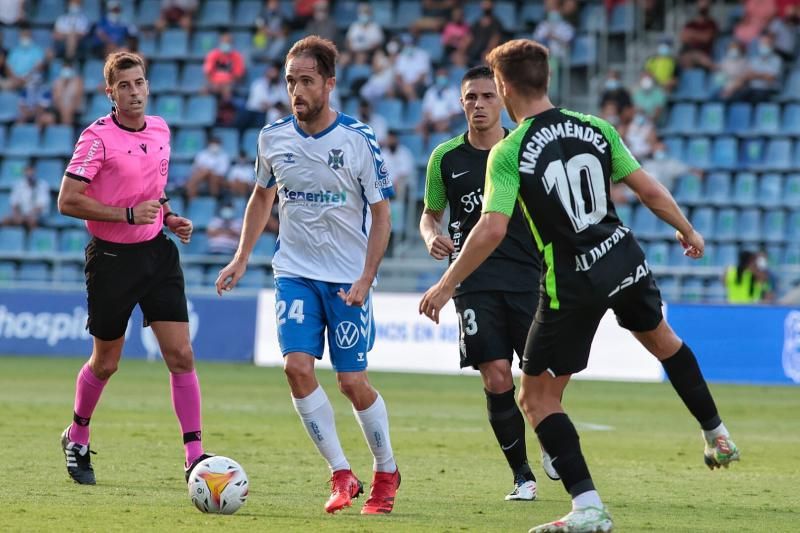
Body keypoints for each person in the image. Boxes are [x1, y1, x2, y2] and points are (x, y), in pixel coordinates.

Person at [419, 39, 740, 533]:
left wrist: (444, 285)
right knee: (663, 340)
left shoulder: (509, 150)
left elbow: (490, 228)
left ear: (503, 87)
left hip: (573, 279)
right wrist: (687, 228)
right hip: (623, 256)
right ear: (546, 80)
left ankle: (587, 507)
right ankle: (717, 433)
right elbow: (647, 188)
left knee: (535, 399)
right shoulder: (596, 127)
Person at [215, 35, 401, 515]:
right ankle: (342, 473)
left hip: (345, 279)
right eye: (291, 81)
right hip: (294, 271)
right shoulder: (272, 138)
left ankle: (386, 470)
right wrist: (241, 257)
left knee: (352, 382)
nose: (297, 90)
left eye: (307, 81)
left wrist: (365, 277)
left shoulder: (358, 140)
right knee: (296, 368)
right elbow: (262, 197)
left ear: (330, 84)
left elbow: (382, 215)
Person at [56, 51, 211, 486]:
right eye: (124, 86)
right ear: (111, 93)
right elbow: (67, 201)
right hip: (111, 261)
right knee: (106, 363)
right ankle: (78, 435)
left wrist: (169, 215)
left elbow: (152, 192)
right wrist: (126, 215)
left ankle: (195, 455)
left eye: (139, 83)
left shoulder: (161, 129)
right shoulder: (96, 138)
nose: (134, 92)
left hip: (157, 255)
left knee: (181, 355)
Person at [420, 66, 550, 502]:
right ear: (461, 103)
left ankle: (552, 438)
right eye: (470, 97)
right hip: (473, 282)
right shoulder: (445, 158)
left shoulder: (525, 150)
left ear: (502, 99)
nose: (478, 104)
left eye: (487, 97)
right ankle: (522, 477)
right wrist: (430, 236)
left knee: (537, 380)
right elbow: (429, 212)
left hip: (529, 278)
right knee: (496, 376)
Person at [2, 163, 50, 231]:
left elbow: (41, 207)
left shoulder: (43, 185)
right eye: (27, 171)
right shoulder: (18, 185)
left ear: (35, 172)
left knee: (32, 221)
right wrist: (17, 215)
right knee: (5, 220)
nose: (29, 174)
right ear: (24, 172)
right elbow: (14, 203)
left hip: (37, 215)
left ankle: (32, 239)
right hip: (21, 214)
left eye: (31, 171)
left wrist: (27, 215)